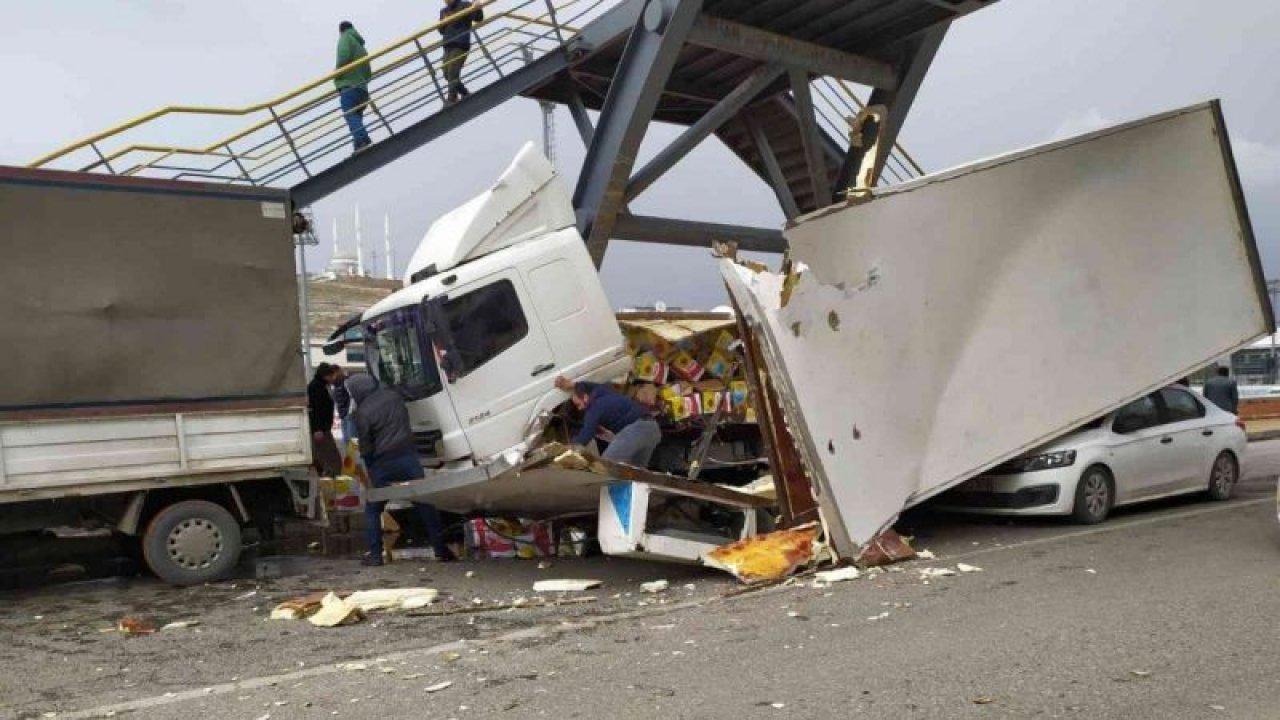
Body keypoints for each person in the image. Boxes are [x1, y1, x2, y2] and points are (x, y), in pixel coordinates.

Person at [348, 374, 455, 566]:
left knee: (373, 508)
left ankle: (375, 556)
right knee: (424, 502)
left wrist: (370, 471)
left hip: (382, 463)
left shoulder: (362, 413)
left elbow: (366, 447)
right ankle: (441, 549)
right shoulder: (393, 396)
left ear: (357, 391)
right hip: (408, 457)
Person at [555, 376, 661, 467]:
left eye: (578, 404)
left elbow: (585, 437)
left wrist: (564, 451)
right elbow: (590, 386)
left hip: (637, 430)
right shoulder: (604, 391)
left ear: (586, 397)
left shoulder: (594, 409)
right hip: (653, 429)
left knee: (605, 466)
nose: (579, 408)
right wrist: (572, 385)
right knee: (637, 472)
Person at [335, 21, 373, 152]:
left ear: (341, 31)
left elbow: (344, 56)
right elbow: (368, 73)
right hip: (362, 90)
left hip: (349, 87)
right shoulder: (361, 47)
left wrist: (336, 73)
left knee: (350, 114)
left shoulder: (345, 38)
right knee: (356, 119)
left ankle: (363, 141)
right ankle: (358, 145)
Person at [439, 0, 484, 104]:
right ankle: (465, 93)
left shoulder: (464, 5)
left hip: (460, 44)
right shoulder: (444, 11)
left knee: (452, 73)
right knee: (446, 74)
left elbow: (478, 18)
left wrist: (477, 7)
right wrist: (443, 23)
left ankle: (452, 99)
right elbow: (441, 31)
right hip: (447, 46)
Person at [307, 363, 344, 477]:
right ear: (324, 375)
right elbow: (316, 409)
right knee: (330, 456)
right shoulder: (316, 387)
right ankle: (333, 478)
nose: (332, 378)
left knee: (329, 455)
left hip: (324, 428)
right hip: (320, 429)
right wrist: (317, 428)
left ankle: (333, 477)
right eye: (330, 376)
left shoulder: (322, 385)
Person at [333, 369, 355, 453]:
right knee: (346, 439)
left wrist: (350, 410)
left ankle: (353, 461)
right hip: (343, 415)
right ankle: (350, 462)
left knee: (352, 439)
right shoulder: (336, 385)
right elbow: (337, 399)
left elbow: (352, 397)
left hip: (349, 414)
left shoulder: (346, 382)